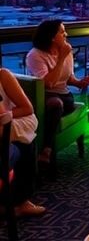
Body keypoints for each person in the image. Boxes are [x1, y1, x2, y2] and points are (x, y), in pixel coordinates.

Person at [25, 19, 89, 166]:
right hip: (44, 95)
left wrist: (80, 82)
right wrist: (61, 57)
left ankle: (46, 148)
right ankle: (47, 149)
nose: (66, 34)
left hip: (65, 96)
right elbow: (48, 83)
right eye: (62, 32)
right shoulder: (35, 55)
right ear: (52, 37)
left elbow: (68, 78)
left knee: (60, 102)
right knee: (55, 103)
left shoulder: (66, 50)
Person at [0, 68, 45, 216]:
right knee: (25, 140)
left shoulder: (3, 76)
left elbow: (27, 109)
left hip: (6, 126)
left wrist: (7, 117)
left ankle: (16, 201)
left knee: (24, 134)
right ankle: (21, 201)